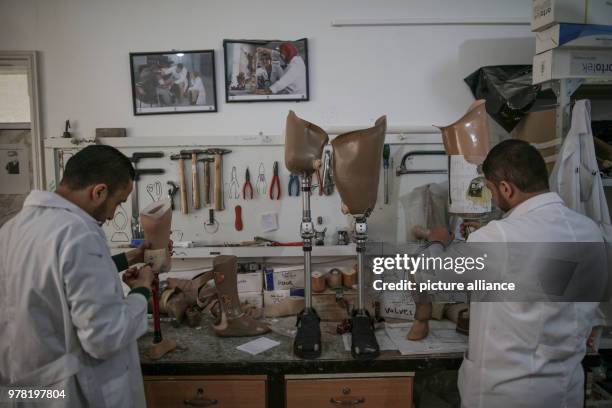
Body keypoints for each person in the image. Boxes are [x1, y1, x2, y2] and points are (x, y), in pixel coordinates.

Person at [422, 139, 604, 407]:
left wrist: (437, 241)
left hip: (505, 393)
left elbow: (433, 277)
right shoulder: (590, 232)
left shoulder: (498, 237)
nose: (491, 198)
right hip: (564, 391)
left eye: (491, 190)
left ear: (506, 188)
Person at [0, 145, 154, 407]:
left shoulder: (12, 228)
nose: (113, 214)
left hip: (22, 389)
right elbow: (105, 338)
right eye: (118, 203)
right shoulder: (79, 232)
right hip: (65, 392)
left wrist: (131, 257)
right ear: (99, 192)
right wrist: (142, 291)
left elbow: (52, 276)